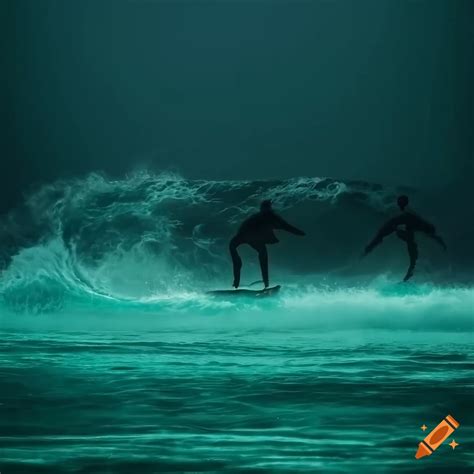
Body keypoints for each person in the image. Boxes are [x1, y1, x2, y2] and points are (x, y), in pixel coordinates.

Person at [362, 195, 447, 281]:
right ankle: (411, 270)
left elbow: (424, 227)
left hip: (406, 226)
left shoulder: (408, 215)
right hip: (403, 225)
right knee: (409, 242)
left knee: (411, 243)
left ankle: (410, 272)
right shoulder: (405, 214)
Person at [229, 200, 305, 288]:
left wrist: (300, 233)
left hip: (247, 236)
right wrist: (301, 233)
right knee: (261, 254)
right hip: (248, 235)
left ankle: (240, 283)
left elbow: (287, 227)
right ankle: (261, 283)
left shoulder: (264, 216)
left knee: (259, 253)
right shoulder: (271, 216)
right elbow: (287, 227)